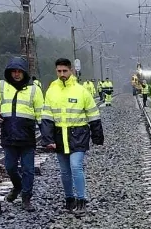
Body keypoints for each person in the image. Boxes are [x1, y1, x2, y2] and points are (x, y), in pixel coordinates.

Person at [40, 58, 104, 213]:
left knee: (76, 166)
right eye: (59, 71)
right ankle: (69, 198)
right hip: (59, 136)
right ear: (56, 71)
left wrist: (97, 137)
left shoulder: (81, 91)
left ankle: (82, 199)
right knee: (64, 171)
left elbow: (93, 115)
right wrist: (47, 139)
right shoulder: (51, 90)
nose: (62, 74)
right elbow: (47, 117)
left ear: (71, 71)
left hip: (78, 135)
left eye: (65, 71)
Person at [0, 57, 43, 211]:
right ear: (9, 72)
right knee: (10, 167)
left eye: (19, 71)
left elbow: (41, 115)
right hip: (9, 136)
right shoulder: (1, 86)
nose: (16, 74)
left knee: (28, 169)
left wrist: (47, 136)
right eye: (14, 71)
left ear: (24, 73)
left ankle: (26, 198)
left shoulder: (34, 90)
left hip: (27, 138)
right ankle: (17, 187)